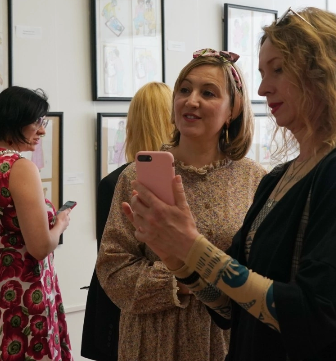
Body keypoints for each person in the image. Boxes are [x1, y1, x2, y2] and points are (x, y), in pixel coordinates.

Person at [123, 7, 336, 360]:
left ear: (323, 72)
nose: (262, 87)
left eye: (278, 69)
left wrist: (192, 245)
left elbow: (313, 315)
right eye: (261, 72)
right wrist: (177, 259)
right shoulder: (276, 179)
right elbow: (229, 303)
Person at [96, 49, 267, 361]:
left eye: (208, 93)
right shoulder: (135, 177)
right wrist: (184, 282)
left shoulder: (255, 180)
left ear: (233, 108)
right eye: (184, 90)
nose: (191, 101)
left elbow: (264, 271)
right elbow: (112, 268)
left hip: (224, 340)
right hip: (152, 340)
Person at [0, 86, 72, 361]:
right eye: (37, 122)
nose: (42, 130)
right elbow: (40, 247)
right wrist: (60, 223)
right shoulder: (19, 168)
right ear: (14, 121)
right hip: (21, 294)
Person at [81, 82, 174, 361]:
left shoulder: (113, 183)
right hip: (130, 304)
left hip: (122, 305)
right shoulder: (119, 183)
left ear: (132, 125)